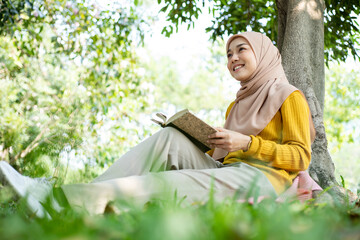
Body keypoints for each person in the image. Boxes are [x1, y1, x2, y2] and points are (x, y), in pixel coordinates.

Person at [0, 32, 316, 218]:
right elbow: (228, 156)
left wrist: (247, 144)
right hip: (229, 171)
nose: (233, 57)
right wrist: (204, 138)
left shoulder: (290, 96)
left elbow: (301, 158)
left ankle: (58, 201)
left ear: (262, 53)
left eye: (241, 49)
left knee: (164, 182)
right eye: (228, 53)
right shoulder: (238, 103)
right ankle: (72, 195)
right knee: (169, 138)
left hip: (264, 181)